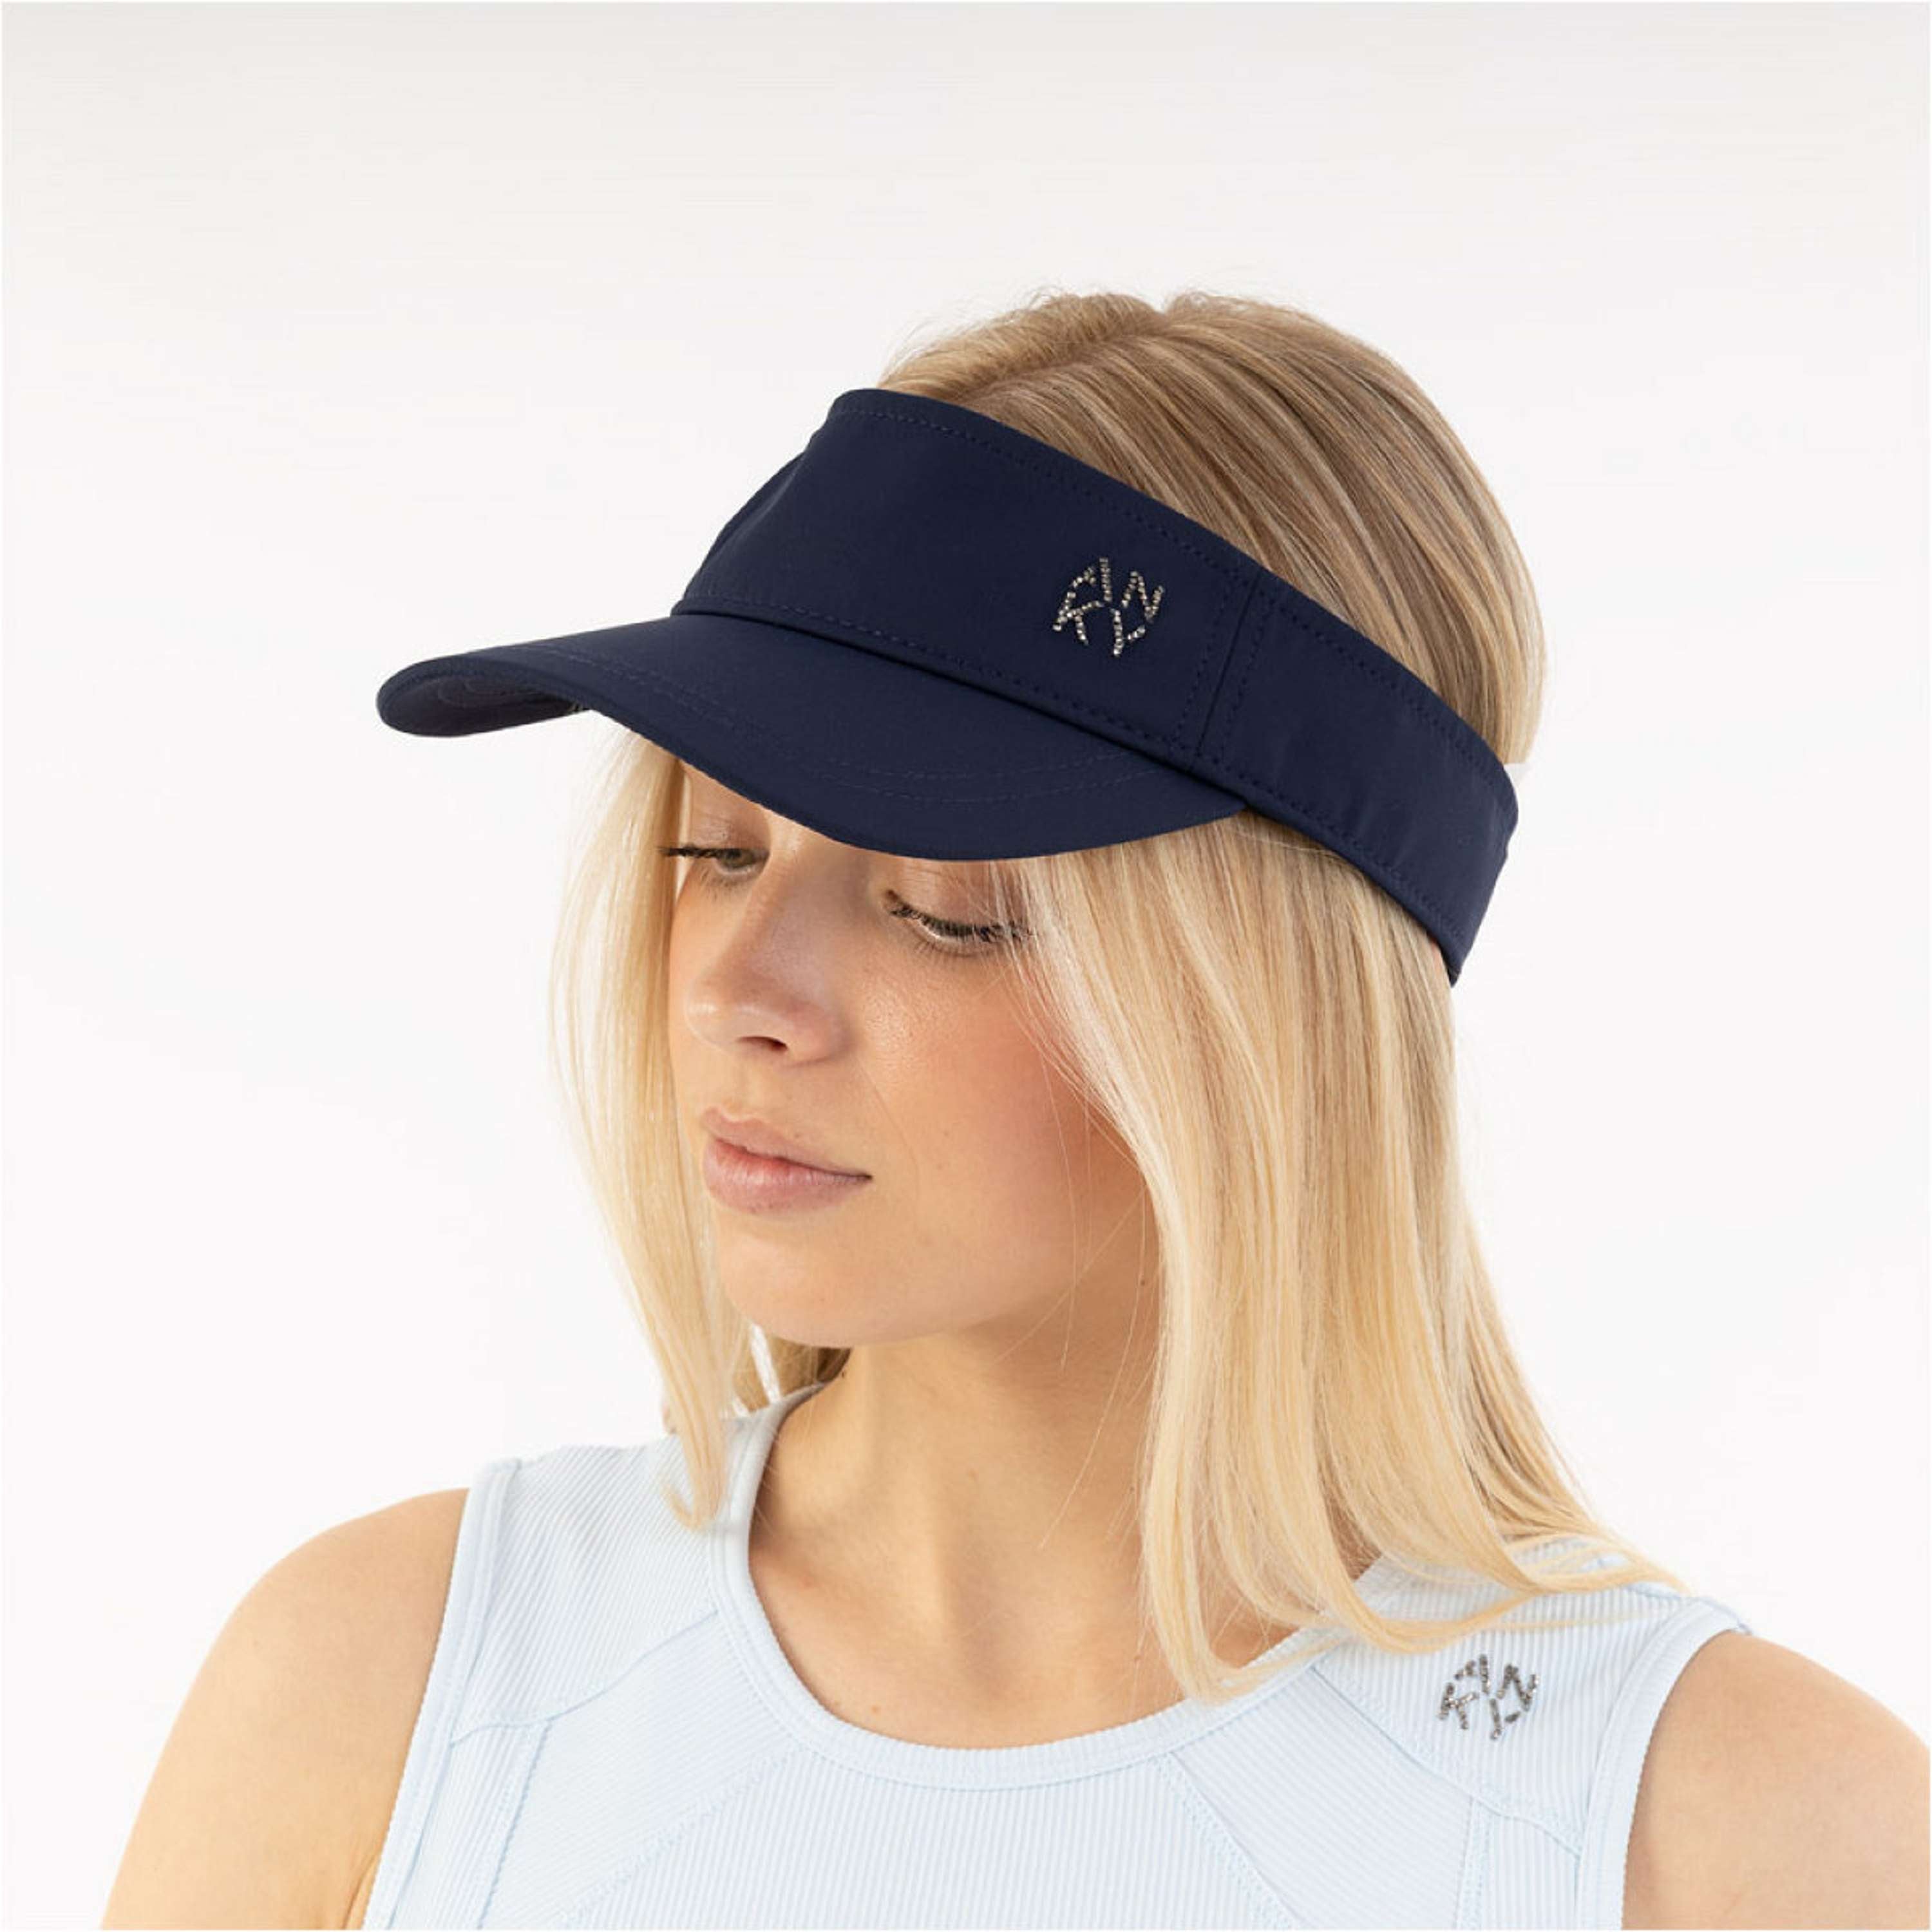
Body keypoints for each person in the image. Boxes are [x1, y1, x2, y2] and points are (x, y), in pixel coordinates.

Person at [105, 290, 1927, 1931]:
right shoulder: (385, 1695)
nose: (740, 992)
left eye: (941, 905)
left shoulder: (1736, 1838)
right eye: (714, 850)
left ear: (1281, 1015)